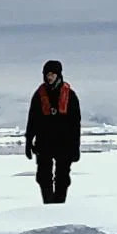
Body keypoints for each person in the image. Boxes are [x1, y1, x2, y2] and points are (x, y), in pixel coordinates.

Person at [22, 58, 82, 205]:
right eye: (47, 74)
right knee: (43, 176)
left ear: (58, 75)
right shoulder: (39, 95)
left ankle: (59, 206)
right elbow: (32, 119)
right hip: (44, 142)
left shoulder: (70, 96)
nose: (49, 77)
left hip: (64, 143)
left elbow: (76, 124)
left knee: (62, 177)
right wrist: (29, 141)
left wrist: (76, 147)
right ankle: (48, 205)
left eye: (52, 74)